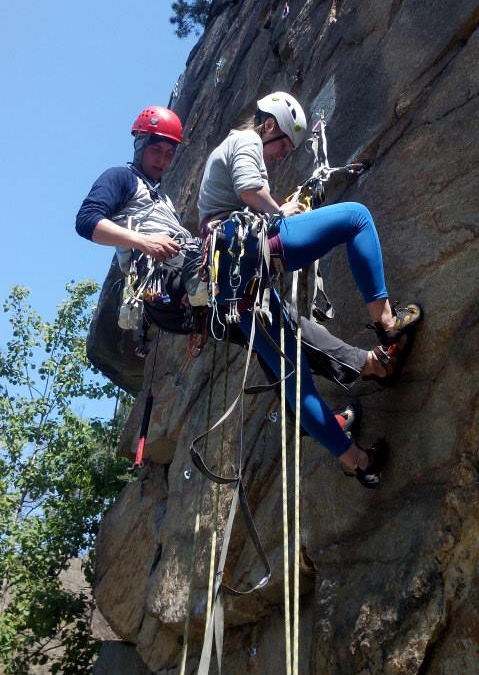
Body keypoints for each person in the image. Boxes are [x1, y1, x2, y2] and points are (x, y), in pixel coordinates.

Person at [197, 91, 422, 488]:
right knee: (356, 218)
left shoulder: (236, 150)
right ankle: (388, 325)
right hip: (248, 254)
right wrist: (281, 211)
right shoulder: (245, 140)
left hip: (239, 285)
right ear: (267, 125)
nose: (284, 152)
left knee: (295, 380)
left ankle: (361, 463)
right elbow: (251, 191)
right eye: (283, 142)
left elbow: (244, 200)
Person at [76, 105, 188, 270]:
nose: (162, 160)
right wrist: (144, 241)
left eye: (169, 154)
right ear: (140, 145)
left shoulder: (164, 199)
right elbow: (86, 220)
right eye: (156, 150)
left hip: (183, 264)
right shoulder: (122, 177)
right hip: (158, 272)